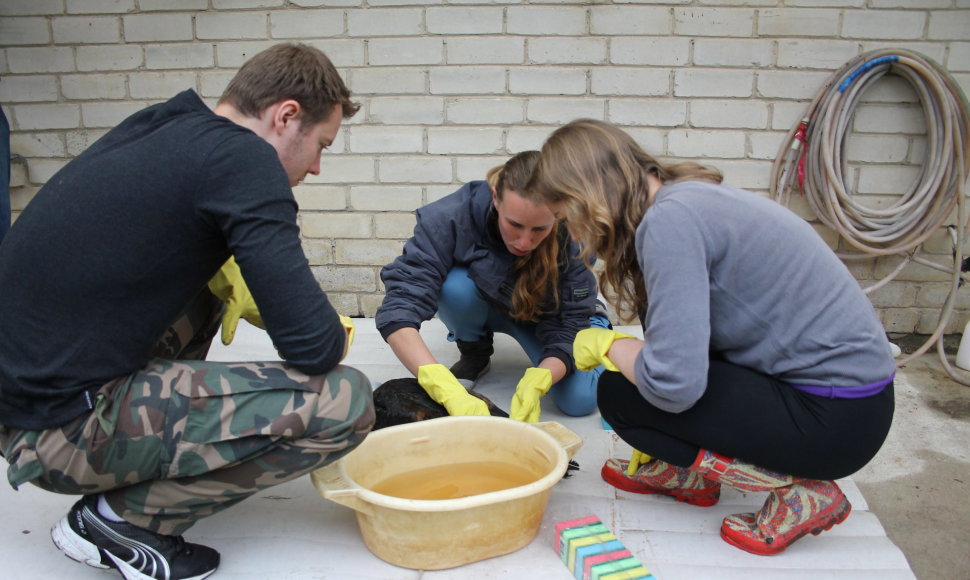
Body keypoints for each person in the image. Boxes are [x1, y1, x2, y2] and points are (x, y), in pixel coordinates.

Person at [0, 43, 374, 580]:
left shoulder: (165, 121)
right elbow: (311, 345)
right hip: (61, 432)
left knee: (206, 289)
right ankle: (123, 521)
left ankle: (146, 451)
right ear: (286, 115)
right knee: (346, 402)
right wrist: (335, 336)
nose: (315, 166)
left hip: (21, 400)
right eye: (320, 145)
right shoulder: (246, 161)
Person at [531, 119, 896, 556]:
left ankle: (806, 493)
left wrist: (611, 346)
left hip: (836, 421)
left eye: (566, 218)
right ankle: (690, 476)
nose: (572, 234)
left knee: (619, 395)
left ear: (587, 198)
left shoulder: (668, 223)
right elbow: (694, 344)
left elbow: (674, 386)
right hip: (852, 404)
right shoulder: (685, 197)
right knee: (631, 380)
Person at [375, 151, 609, 423]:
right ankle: (475, 352)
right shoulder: (451, 217)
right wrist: (437, 381)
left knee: (580, 400)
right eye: (515, 224)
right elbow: (401, 305)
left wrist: (542, 376)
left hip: (548, 316)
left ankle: (600, 339)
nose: (524, 241)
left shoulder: (574, 235)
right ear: (496, 197)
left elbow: (570, 322)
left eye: (539, 229)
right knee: (453, 287)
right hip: (490, 300)